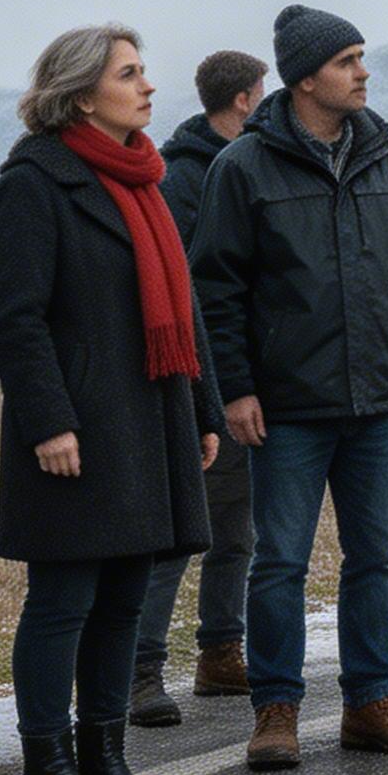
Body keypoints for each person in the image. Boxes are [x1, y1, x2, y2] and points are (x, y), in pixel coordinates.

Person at [193, 4, 388, 772]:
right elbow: (217, 293)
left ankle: (371, 702)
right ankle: (276, 709)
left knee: (376, 558)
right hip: (288, 409)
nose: (363, 72)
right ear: (308, 78)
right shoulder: (241, 168)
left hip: (376, 402)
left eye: (362, 58)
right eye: (348, 61)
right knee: (279, 562)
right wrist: (234, 389)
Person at [0, 24, 223, 775]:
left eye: (143, 71)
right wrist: (49, 421)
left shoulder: (144, 180)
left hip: (147, 418)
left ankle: (105, 761)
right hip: (80, 425)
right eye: (130, 73)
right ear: (84, 93)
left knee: (122, 598)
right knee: (62, 602)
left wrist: (200, 410)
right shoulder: (36, 183)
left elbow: (182, 309)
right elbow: (16, 321)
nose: (147, 85)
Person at [130, 48, 267, 728]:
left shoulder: (251, 163)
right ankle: (142, 669)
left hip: (250, 376)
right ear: (242, 99)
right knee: (183, 532)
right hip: (201, 377)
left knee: (236, 529)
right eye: (261, 90)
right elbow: (192, 291)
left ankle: (219, 651)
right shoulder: (186, 177)